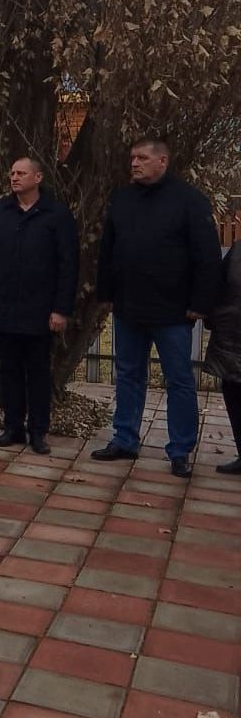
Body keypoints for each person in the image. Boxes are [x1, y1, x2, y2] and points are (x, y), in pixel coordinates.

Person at [92, 139, 221, 478]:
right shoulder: (121, 199)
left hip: (173, 311)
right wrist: (105, 293)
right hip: (129, 307)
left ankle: (180, 450)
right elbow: (109, 249)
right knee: (128, 375)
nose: (134, 163)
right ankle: (125, 439)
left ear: (162, 161)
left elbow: (207, 257)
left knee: (178, 380)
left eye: (142, 158)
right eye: (132, 157)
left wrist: (200, 304)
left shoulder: (189, 201)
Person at [0, 157, 78, 455]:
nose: (15, 178)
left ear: (38, 177)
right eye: (12, 173)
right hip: (5, 306)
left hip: (41, 310)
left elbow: (68, 265)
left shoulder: (56, 215)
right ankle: (13, 426)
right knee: (9, 371)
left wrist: (61, 309)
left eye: (21, 173)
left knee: (38, 372)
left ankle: (38, 431)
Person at [203, 240, 240, 474]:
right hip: (231, 336)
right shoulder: (237, 251)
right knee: (235, 396)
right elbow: (218, 286)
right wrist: (212, 316)